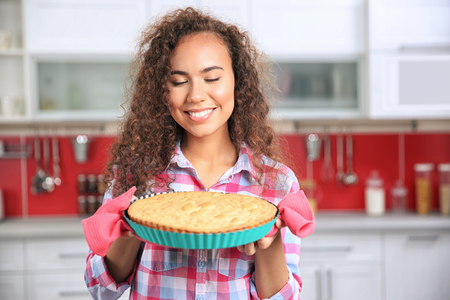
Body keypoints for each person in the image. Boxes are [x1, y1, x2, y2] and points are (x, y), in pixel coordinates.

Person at [85, 7, 307, 300]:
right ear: (161, 90)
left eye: (212, 78)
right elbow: (101, 291)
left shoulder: (277, 183)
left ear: (237, 82)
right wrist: (130, 229)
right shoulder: (136, 174)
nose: (196, 95)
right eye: (179, 81)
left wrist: (270, 241)